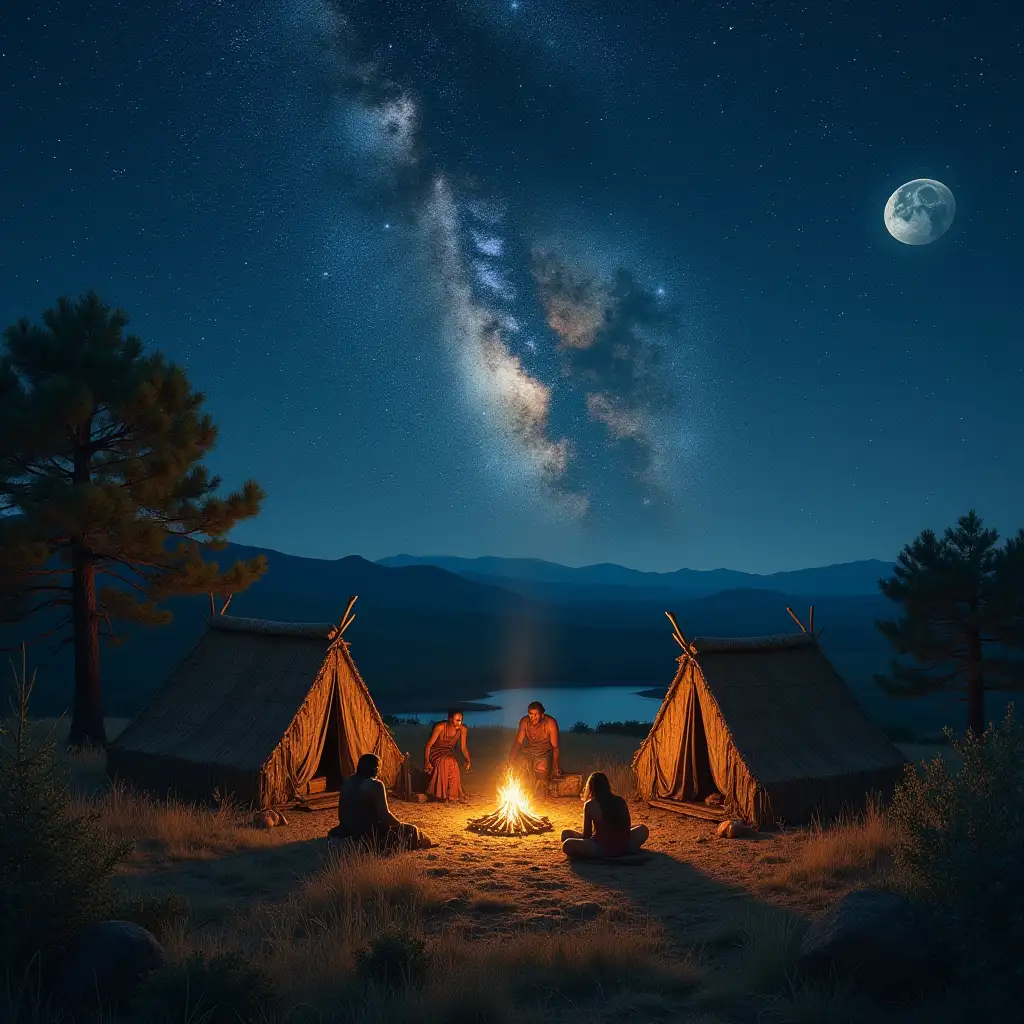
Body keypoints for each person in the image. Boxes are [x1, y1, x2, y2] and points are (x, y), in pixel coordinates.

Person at [328, 753, 433, 853]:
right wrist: (400, 825)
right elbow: (384, 815)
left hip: (347, 829)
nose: (379, 771)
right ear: (375, 769)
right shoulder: (375, 785)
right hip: (369, 834)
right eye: (379, 768)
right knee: (412, 830)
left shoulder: (347, 782)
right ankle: (424, 841)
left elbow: (341, 814)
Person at [561, 771, 649, 860]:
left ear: (592, 788)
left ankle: (596, 854)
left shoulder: (590, 805)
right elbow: (627, 828)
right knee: (643, 829)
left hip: (602, 848)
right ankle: (628, 849)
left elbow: (587, 835)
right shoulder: (620, 801)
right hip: (625, 846)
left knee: (567, 844)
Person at [507, 701, 561, 785]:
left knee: (541, 770)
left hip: (544, 753)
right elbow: (518, 742)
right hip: (528, 752)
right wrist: (510, 759)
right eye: (531, 714)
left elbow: (555, 747)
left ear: (542, 715)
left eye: (536, 714)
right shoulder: (524, 721)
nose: (533, 717)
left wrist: (555, 767)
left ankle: (541, 789)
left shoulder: (550, 723)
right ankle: (524, 790)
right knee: (518, 767)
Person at [423, 710, 471, 801]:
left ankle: (452, 795)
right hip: (435, 751)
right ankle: (441, 795)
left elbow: (463, 748)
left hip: (447, 752)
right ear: (450, 719)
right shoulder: (440, 727)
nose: (459, 723)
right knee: (445, 761)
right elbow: (428, 746)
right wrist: (427, 762)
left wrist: (468, 760)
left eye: (460, 720)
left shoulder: (463, 729)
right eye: (456, 720)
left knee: (454, 763)